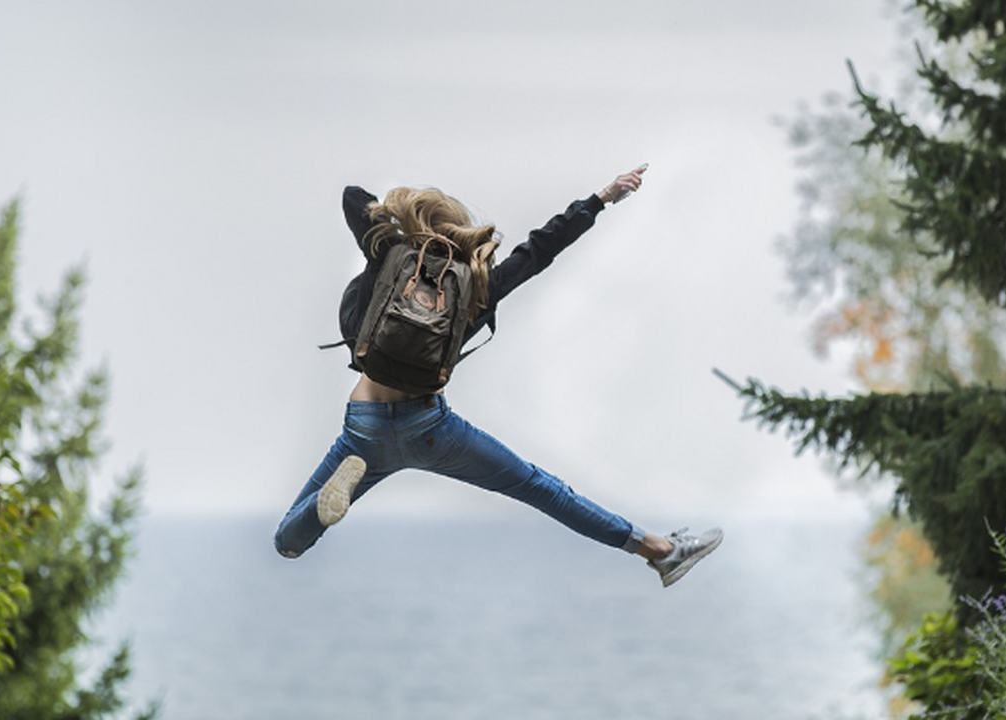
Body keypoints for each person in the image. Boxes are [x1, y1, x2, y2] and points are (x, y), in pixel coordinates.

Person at [274, 165, 722, 587]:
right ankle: (660, 551)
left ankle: (321, 509)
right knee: (541, 489)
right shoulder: (476, 285)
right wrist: (601, 199)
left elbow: (354, 197)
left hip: (365, 426)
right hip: (430, 428)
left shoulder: (389, 255)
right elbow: (539, 250)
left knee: (287, 542)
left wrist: (402, 227)